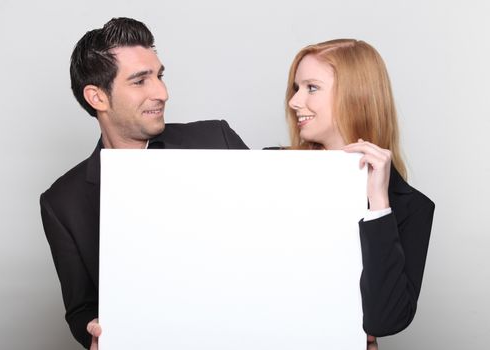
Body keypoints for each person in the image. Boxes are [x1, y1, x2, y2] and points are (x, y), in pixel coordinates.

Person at [40, 17, 247, 349]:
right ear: (97, 97)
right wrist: (91, 330)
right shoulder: (62, 202)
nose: (162, 92)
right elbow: (81, 309)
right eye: (140, 81)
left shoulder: (216, 139)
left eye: (159, 75)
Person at [284, 39, 434, 349]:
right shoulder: (274, 173)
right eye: (296, 88)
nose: (295, 101)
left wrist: (379, 205)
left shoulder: (410, 206)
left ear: (356, 96)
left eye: (311, 88)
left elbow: (384, 320)